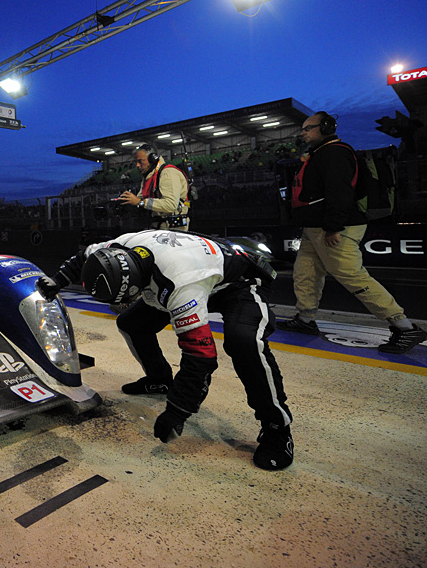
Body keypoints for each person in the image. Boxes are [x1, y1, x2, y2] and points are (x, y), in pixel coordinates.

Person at [38, 229, 295, 470]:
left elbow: (201, 356)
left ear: (135, 288)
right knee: (131, 323)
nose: (122, 304)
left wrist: (177, 411)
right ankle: (159, 379)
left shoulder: (180, 286)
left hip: (238, 283)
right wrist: (57, 280)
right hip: (188, 269)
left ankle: (277, 427)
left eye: (123, 300)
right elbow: (84, 256)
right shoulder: (119, 246)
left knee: (244, 342)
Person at [279, 111, 425, 354]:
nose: (302, 132)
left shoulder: (335, 153)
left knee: (353, 277)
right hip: (315, 229)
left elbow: (340, 193)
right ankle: (305, 320)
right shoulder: (319, 154)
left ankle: (404, 327)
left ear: (324, 128)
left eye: (308, 128)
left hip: (334, 227)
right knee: (305, 273)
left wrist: (334, 227)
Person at [116, 144, 191, 231]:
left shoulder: (168, 173)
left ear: (153, 159)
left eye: (140, 161)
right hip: (157, 227)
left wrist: (140, 202)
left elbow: (171, 204)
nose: (137, 165)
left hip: (173, 230)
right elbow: (140, 199)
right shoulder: (148, 177)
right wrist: (128, 201)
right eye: (136, 162)